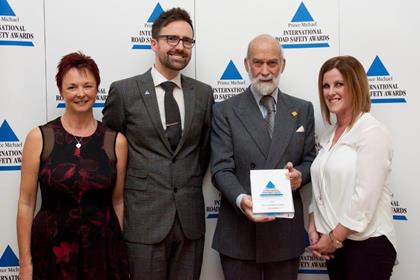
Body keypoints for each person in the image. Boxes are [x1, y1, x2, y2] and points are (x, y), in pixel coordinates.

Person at [102, 7, 213, 280]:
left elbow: (203, 152)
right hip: (143, 222)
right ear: (154, 43)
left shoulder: (203, 94)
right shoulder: (125, 91)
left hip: (190, 222)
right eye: (172, 39)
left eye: (187, 41)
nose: (180, 47)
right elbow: (108, 153)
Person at [211, 34, 316, 280]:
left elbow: (311, 160)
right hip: (238, 233)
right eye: (258, 63)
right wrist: (241, 200)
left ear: (283, 65)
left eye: (272, 63)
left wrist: (300, 175)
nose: (265, 71)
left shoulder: (302, 110)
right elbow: (220, 169)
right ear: (246, 65)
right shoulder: (224, 111)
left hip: (284, 234)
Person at [16, 52, 129, 280]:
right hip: (52, 253)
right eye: (72, 87)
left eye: (88, 86)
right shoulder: (40, 137)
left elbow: (117, 201)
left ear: (97, 89)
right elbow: (26, 203)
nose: (80, 94)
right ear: (61, 91)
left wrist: (117, 253)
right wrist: (26, 264)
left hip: (102, 253)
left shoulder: (115, 141)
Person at [308, 55, 397, 279]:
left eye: (339, 84)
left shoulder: (370, 131)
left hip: (367, 245)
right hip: (335, 245)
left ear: (355, 86)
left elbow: (366, 196)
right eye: (325, 86)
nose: (330, 92)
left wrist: (335, 238)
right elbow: (322, 187)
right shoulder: (329, 137)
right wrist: (313, 224)